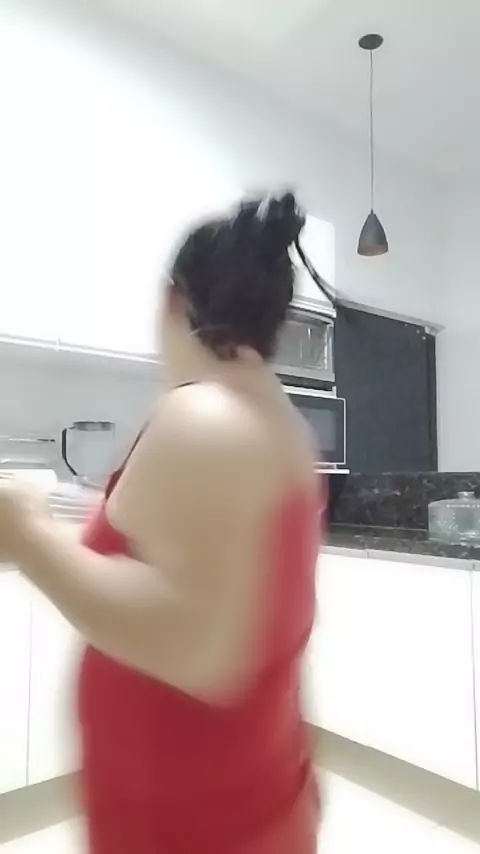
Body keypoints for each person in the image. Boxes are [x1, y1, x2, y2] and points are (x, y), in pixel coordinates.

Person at [0, 192, 322, 853]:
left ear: (172, 302)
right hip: (256, 798)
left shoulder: (204, 417)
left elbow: (199, 644)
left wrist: (26, 535)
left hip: (189, 825)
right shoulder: (282, 424)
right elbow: (265, 616)